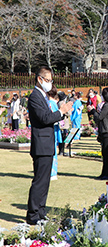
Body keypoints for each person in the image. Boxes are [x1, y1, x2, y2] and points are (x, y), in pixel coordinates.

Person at [26, 67, 73, 225]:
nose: (50, 83)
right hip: (41, 144)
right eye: (48, 80)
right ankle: (32, 214)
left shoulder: (43, 96)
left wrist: (61, 112)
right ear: (40, 79)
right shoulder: (34, 97)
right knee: (40, 180)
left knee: (45, 181)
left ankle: (40, 211)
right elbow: (44, 118)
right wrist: (61, 111)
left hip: (46, 144)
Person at [88, 87, 108, 180]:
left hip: (107, 131)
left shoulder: (107, 105)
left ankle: (107, 173)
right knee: (105, 153)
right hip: (106, 131)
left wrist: (93, 111)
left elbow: (99, 118)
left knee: (106, 154)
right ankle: (105, 173)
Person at [47, 87, 61, 181]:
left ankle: (52, 172)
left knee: (52, 151)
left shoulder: (51, 104)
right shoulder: (53, 103)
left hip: (52, 130)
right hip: (53, 129)